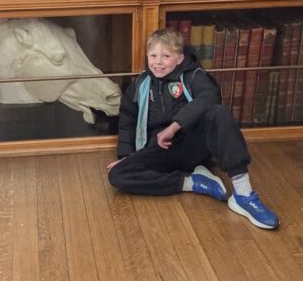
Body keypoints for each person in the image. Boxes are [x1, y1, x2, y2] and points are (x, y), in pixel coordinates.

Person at [108, 29, 279, 230]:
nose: (158, 62)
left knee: (219, 113)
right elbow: (128, 120)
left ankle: (243, 194)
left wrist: (174, 127)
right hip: (159, 148)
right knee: (117, 175)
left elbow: (209, 97)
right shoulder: (140, 84)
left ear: (180, 58)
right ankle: (192, 181)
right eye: (153, 56)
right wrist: (127, 155)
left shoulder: (194, 76)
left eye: (166, 56)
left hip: (192, 145)